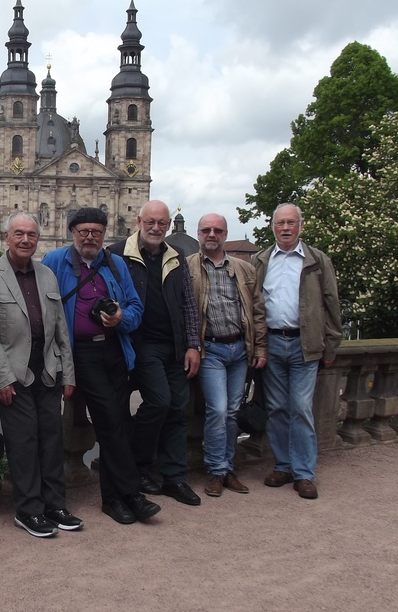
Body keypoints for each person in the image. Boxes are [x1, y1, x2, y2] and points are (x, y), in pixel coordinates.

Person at [42, 208, 161, 525]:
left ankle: (115, 498)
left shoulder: (115, 263)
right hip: (81, 353)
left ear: (104, 234)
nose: (90, 237)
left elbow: (136, 307)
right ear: (72, 233)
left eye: (96, 231)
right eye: (83, 231)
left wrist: (121, 317)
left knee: (118, 422)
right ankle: (129, 494)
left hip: (115, 349)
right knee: (110, 418)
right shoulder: (54, 261)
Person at [0, 212, 82, 538]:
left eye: (31, 235)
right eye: (18, 233)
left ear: (38, 239)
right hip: (13, 374)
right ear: (6, 237)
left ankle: (55, 505)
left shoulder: (47, 274)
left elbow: (60, 328)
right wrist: (1, 379)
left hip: (47, 369)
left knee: (52, 440)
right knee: (23, 443)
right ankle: (28, 510)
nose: (25, 240)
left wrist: (68, 374)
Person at [107, 200, 202, 506]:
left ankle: (175, 477)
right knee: (160, 402)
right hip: (141, 344)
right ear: (139, 222)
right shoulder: (117, 254)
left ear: (169, 226)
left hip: (174, 344)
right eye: (151, 222)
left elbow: (188, 304)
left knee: (178, 409)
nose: (156, 228)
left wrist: (193, 345)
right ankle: (138, 466)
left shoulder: (176, 255)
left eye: (162, 223)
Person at [252, 203, 341, 499]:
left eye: (291, 222)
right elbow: (253, 305)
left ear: (301, 225)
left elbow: (332, 304)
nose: (286, 228)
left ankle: (304, 473)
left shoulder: (318, 260)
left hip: (306, 343)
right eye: (280, 223)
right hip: (272, 343)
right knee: (276, 408)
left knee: (301, 408)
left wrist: (331, 345)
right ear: (273, 227)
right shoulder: (261, 260)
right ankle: (283, 466)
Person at [187, 213, 268, 497]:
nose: (212, 234)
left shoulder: (244, 268)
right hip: (210, 350)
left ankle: (227, 469)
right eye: (206, 230)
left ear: (225, 234)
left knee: (232, 412)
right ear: (198, 233)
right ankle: (216, 470)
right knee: (218, 410)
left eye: (218, 230)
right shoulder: (188, 267)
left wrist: (260, 347)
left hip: (240, 350)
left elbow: (258, 311)